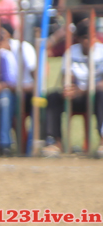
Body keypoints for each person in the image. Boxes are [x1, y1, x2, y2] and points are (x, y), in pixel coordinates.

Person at [43, 19, 103, 157]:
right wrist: (67, 89)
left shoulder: (101, 51)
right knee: (53, 97)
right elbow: (67, 77)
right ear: (79, 39)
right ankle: (55, 142)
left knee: (102, 94)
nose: (90, 41)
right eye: (86, 38)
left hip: (96, 96)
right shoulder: (71, 52)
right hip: (78, 96)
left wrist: (83, 90)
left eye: (92, 36)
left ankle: (102, 141)